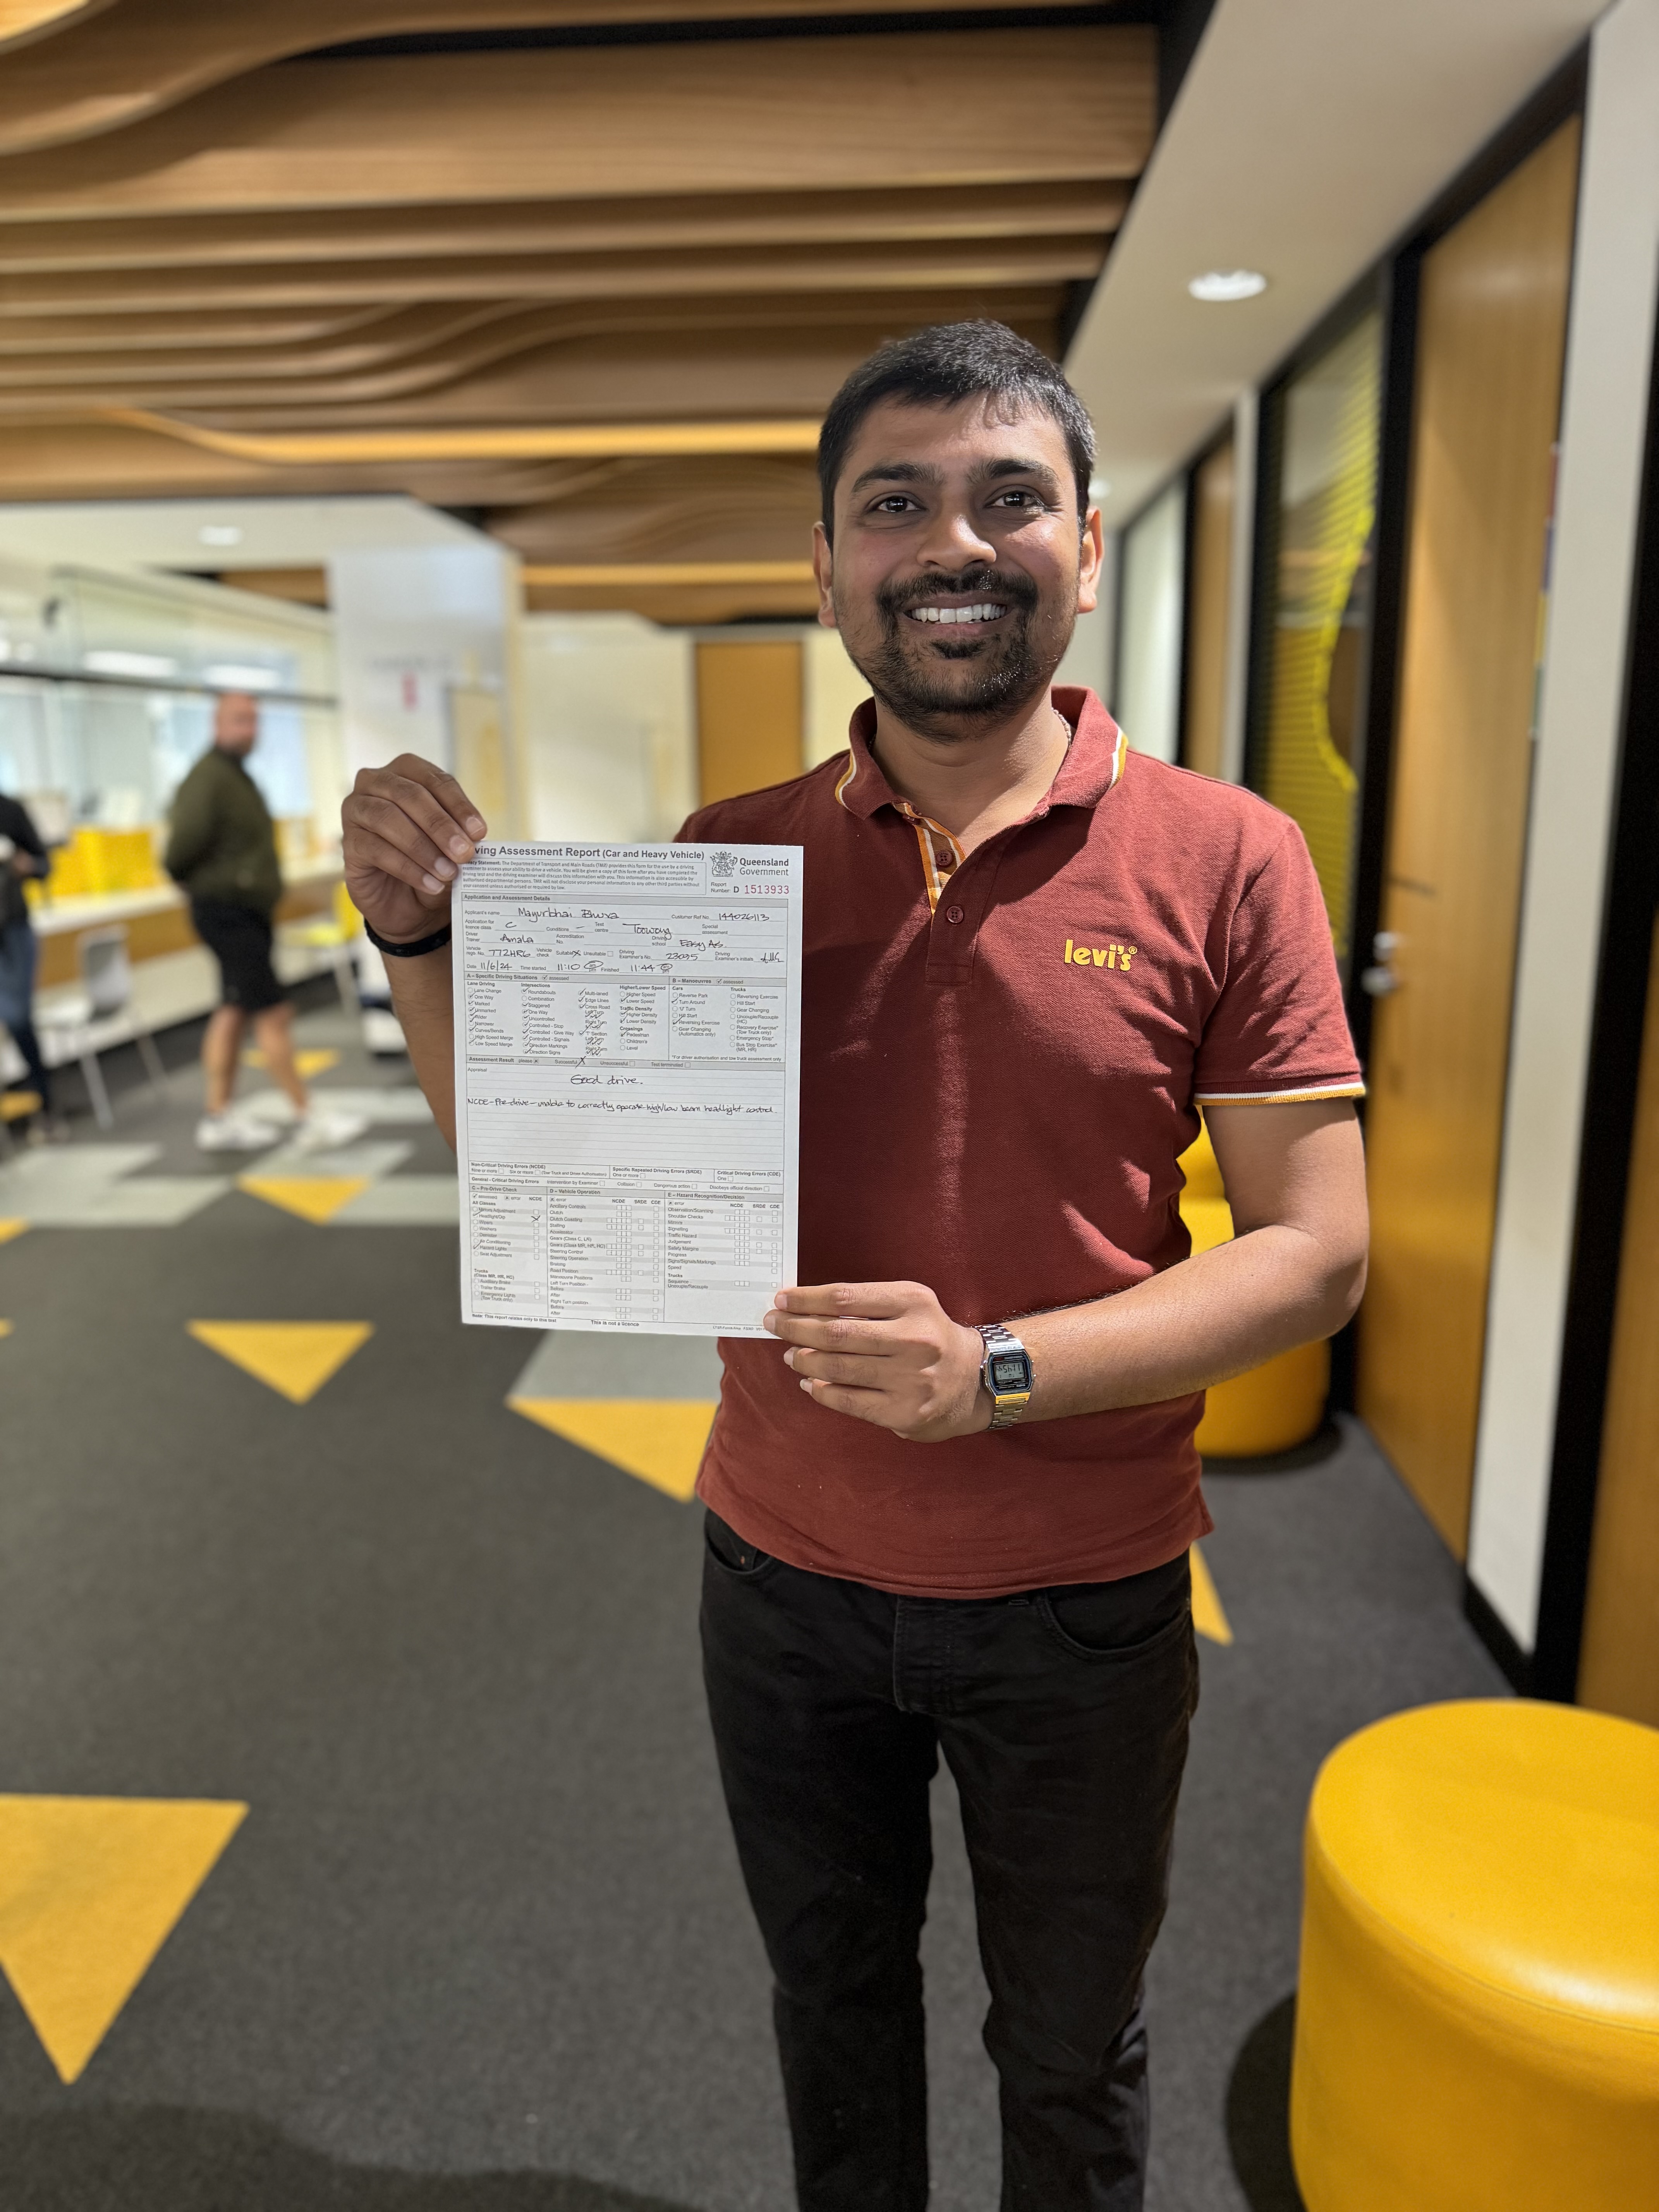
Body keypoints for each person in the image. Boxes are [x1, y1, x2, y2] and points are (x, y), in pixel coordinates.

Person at [339, 321, 1369, 2212]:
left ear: (1084, 543)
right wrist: (416, 943)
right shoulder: (724, 861)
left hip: (1084, 1597)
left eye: (1008, 497)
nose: (951, 543)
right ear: (825, 567)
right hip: (782, 1581)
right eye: (894, 504)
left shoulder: (1231, 855)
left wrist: (998, 1369)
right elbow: (548, 1171)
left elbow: (1314, 1250)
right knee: (831, 2013)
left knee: (1070, 2048)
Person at [166, 691, 365, 1154]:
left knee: (234, 1010)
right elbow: (178, 853)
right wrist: (217, 884)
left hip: (244, 912)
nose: (249, 730)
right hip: (228, 914)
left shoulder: (235, 776)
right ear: (217, 723)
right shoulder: (208, 778)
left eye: (254, 721)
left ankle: (217, 1116)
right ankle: (306, 1115)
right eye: (240, 720)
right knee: (273, 1012)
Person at [0, 786, 55, 1133]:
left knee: (18, 1018)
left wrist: (28, 866)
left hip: (14, 931)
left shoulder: (9, 811)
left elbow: (44, 865)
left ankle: (44, 1104)